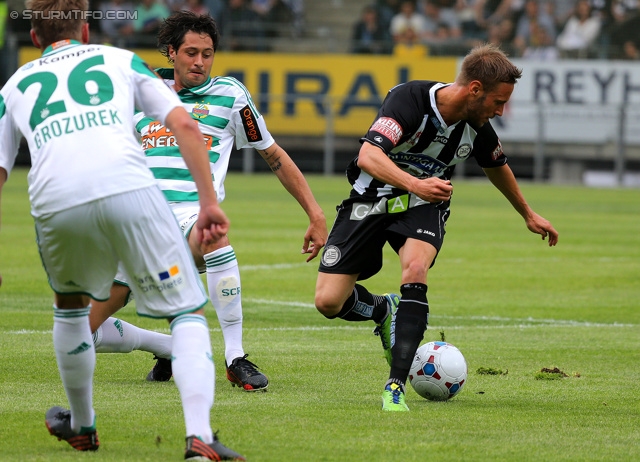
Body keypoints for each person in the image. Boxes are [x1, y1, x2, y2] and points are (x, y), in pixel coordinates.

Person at [0, 0, 245, 459]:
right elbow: (186, 127)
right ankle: (200, 437)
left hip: (55, 201)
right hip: (129, 189)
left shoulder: (14, 86)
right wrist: (209, 204)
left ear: (34, 39)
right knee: (188, 309)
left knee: (70, 309)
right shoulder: (121, 61)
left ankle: (82, 425)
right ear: (86, 32)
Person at [88, 10, 328, 391]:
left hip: (190, 216)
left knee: (214, 235)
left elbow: (275, 155)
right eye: (190, 52)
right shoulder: (140, 92)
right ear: (171, 52)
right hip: (134, 220)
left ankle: (234, 358)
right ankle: (168, 347)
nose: (199, 62)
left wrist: (315, 213)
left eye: (207, 53)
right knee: (81, 334)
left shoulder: (230, 95)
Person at [314, 43, 559, 412]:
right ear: (474, 89)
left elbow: (496, 166)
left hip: (424, 206)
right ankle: (383, 310)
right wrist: (416, 183)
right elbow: (369, 155)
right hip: (371, 201)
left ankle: (395, 385)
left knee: (415, 269)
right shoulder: (409, 99)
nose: (501, 110)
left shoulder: (478, 126)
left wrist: (527, 213)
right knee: (328, 302)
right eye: (498, 101)